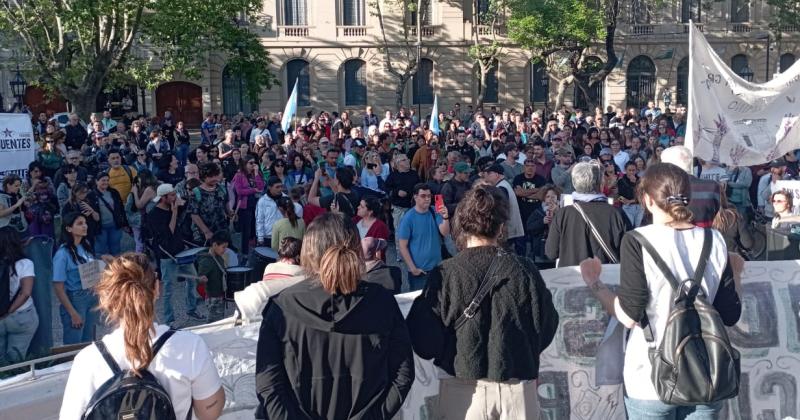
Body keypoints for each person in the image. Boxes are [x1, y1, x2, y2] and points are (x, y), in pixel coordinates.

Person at [579, 162, 742, 419]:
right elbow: (730, 314)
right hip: (708, 371)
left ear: (646, 200)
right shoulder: (715, 240)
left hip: (650, 374)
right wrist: (738, 275)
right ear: (687, 197)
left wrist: (595, 284)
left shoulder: (637, 240)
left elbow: (629, 315)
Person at [406, 184, 559, 420]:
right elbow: (545, 327)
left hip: (462, 390)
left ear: (463, 226)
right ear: (500, 228)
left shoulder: (447, 273)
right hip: (515, 388)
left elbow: (423, 339)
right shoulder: (524, 270)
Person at [255, 212, 414, 419]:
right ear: (356, 248)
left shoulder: (281, 307)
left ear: (308, 252)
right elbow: (403, 373)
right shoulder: (382, 301)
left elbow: (268, 385)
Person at [59, 252, 225, 420]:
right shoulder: (191, 346)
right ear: (157, 288)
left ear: (107, 298)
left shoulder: (87, 360)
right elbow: (209, 413)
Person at [545, 161, 629, 267]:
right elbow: (627, 253)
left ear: (575, 184)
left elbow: (551, 253)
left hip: (570, 278)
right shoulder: (616, 213)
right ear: (600, 184)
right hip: (605, 278)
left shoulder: (563, 214)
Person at [147, 184, 202, 324]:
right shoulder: (154, 215)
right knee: (169, 288)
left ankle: (191, 309)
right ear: (163, 198)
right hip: (166, 254)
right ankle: (168, 320)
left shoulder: (174, 205)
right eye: (171, 195)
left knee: (192, 279)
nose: (174, 197)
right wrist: (175, 212)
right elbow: (168, 232)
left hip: (181, 249)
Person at [52, 212, 110, 345]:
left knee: (89, 341)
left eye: (85, 223)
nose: (85, 226)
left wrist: (101, 259)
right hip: (76, 298)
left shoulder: (85, 245)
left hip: (91, 295)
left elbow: (88, 265)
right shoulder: (62, 254)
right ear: (68, 228)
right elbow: (58, 288)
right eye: (79, 224)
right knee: (74, 343)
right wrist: (72, 313)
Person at [234, 237, 305, 322]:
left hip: (261, 308)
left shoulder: (269, 267)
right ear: (299, 255)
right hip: (283, 312)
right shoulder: (300, 271)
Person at [397, 183, 450, 290]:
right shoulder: (408, 218)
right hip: (420, 270)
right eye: (423, 196)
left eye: (429, 196)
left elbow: (445, 233)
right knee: (419, 303)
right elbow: (402, 246)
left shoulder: (434, 211)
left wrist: (445, 217)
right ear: (415, 197)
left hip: (437, 267)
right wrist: (413, 268)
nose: (427, 199)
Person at [0, 227, 38, 366]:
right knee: (15, 360)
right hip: (21, 316)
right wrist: (8, 311)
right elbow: (26, 293)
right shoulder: (25, 264)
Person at [661, 146, 720, 227]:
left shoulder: (663, 189)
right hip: (705, 235)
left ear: (670, 166)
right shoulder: (712, 186)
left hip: (675, 236)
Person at [483, 164, 526, 255]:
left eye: (489, 173)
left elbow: (501, 208)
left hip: (507, 229)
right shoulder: (504, 185)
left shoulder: (501, 188)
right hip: (510, 228)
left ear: (496, 175)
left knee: (507, 255)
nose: (486, 175)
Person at [188, 162, 231, 245]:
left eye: (216, 175)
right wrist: (206, 231)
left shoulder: (221, 188)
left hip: (222, 231)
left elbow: (225, 203)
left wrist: (230, 212)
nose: (214, 178)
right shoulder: (196, 192)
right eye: (211, 176)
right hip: (204, 234)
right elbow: (194, 214)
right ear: (203, 177)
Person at [233, 157, 265, 255]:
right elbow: (239, 191)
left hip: (257, 204)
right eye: (250, 163)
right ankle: (245, 252)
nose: (253, 165)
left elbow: (261, 187)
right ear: (245, 164)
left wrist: (256, 174)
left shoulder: (257, 174)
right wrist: (253, 190)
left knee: (256, 227)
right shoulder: (239, 175)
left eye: (254, 163)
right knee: (246, 230)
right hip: (245, 205)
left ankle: (256, 249)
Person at [196, 231, 230, 323]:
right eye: (223, 247)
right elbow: (199, 280)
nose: (225, 250)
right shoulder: (206, 261)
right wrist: (202, 279)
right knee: (214, 324)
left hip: (219, 296)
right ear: (215, 245)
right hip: (213, 299)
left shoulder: (218, 255)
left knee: (219, 321)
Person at [93, 171, 128, 256]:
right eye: (103, 180)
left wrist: (125, 223)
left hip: (114, 225)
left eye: (107, 180)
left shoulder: (114, 192)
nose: (106, 182)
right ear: (96, 181)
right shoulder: (91, 195)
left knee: (115, 248)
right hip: (100, 227)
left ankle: (116, 267)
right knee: (101, 250)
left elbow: (120, 208)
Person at [255, 176, 285, 246]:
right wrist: (260, 238)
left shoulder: (286, 198)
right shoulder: (262, 201)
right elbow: (259, 220)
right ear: (269, 187)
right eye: (277, 187)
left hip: (283, 235)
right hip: (268, 236)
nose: (280, 189)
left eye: (281, 186)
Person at [618, 161, 644, 227]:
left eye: (633, 170)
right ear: (625, 170)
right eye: (629, 170)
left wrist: (634, 184)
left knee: (637, 228)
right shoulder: (621, 181)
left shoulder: (640, 180)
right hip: (627, 207)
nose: (631, 172)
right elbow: (619, 195)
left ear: (636, 170)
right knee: (629, 226)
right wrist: (624, 200)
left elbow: (641, 195)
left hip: (639, 207)